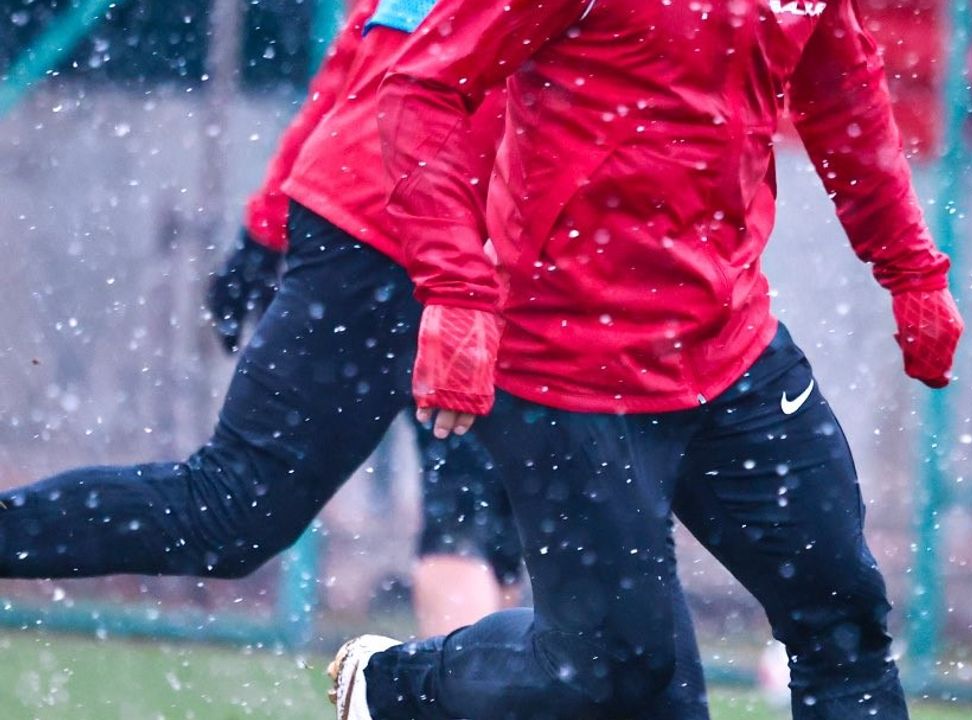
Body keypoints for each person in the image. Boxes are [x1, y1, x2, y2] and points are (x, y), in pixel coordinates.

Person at [0, 2, 707, 718]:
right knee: (247, 510)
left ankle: (407, 691)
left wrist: (265, 229)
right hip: (402, 236)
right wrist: (267, 228)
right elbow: (377, 61)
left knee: (570, 540)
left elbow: (354, 59)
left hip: (514, 262)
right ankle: (396, 690)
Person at [329, 1, 964, 720]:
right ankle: (394, 686)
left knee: (845, 622)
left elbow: (843, 95)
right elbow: (422, 86)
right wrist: (457, 292)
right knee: (619, 673)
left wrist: (913, 272)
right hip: (567, 367)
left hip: (735, 354)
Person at [208, 228, 523, 639]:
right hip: (476, 270)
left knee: (478, 501)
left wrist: (259, 239)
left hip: (441, 265)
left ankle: (484, 667)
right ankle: (478, 668)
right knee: (473, 497)